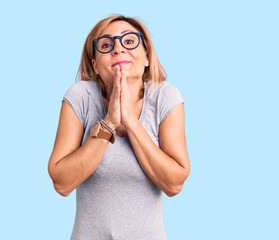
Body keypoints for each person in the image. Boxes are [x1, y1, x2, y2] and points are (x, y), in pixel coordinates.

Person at [47, 15, 190, 239]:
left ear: (146, 58)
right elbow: (61, 183)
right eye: (106, 45)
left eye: (129, 41)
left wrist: (131, 123)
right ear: (95, 65)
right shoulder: (80, 97)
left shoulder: (165, 96)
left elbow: (174, 184)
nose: (118, 49)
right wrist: (109, 124)